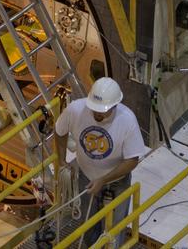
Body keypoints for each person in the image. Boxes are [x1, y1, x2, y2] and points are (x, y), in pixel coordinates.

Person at [54, 77, 150, 248]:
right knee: (88, 223)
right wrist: (61, 159)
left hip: (117, 182)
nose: (97, 114)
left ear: (114, 106)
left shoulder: (127, 120)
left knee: (115, 229)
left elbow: (132, 160)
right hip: (86, 176)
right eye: (94, 109)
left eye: (102, 111)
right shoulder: (76, 109)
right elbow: (60, 131)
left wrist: (103, 180)